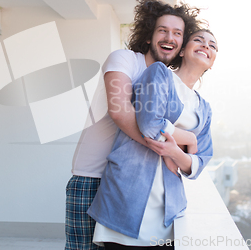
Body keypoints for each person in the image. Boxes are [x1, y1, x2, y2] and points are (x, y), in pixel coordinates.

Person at [65, 0, 203, 250]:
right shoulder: (125, 59)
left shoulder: (167, 81)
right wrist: (166, 151)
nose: (169, 38)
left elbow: (182, 135)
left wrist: (177, 149)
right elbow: (119, 111)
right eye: (162, 30)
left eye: (177, 33)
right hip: (93, 177)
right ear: (149, 35)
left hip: (130, 185)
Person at [88, 29, 217, 249]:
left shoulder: (204, 108)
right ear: (183, 50)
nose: (206, 46)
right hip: (128, 197)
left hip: (168, 210)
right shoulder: (159, 74)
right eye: (198, 40)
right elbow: (149, 123)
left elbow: (199, 163)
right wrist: (187, 139)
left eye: (213, 46)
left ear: (212, 62)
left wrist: (174, 153)